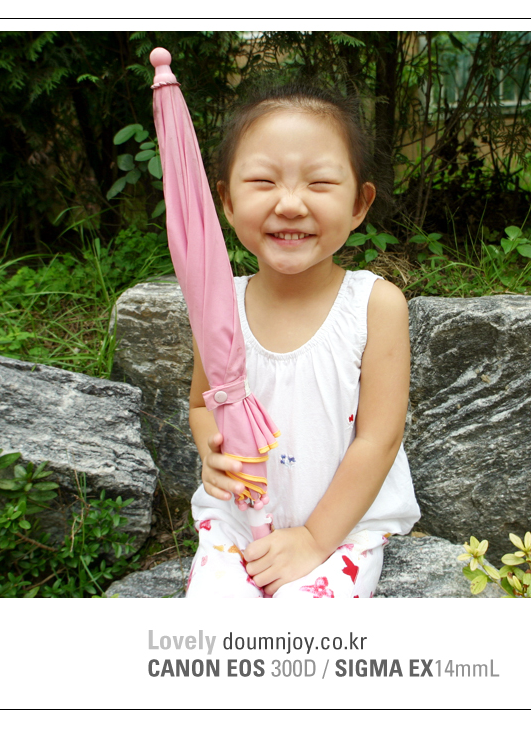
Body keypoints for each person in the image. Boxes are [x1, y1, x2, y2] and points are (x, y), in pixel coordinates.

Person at [185, 84, 420, 598]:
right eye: (263, 181)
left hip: (339, 531)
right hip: (238, 524)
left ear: (359, 203)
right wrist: (213, 451)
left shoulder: (375, 307)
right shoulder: (218, 305)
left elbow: (379, 440)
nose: (290, 204)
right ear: (226, 200)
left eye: (320, 182)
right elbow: (204, 405)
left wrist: (315, 539)